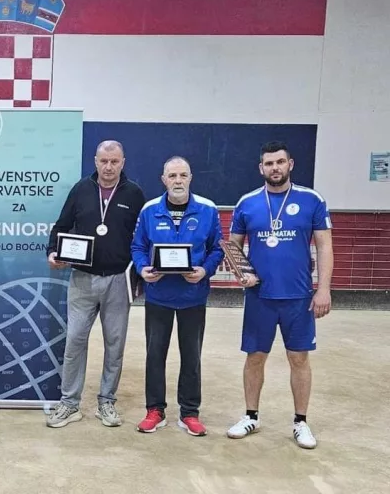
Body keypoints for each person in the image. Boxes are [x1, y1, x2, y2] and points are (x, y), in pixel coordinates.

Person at [225, 140, 333, 450]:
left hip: (298, 296)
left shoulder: (311, 200)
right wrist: (241, 273)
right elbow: (233, 246)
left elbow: (325, 246)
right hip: (259, 296)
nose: (275, 168)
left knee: (299, 358)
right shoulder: (247, 203)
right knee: (255, 357)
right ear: (261, 168)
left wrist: (323, 289)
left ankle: (301, 421)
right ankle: (251, 416)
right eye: (269, 163)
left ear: (290, 164)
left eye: (280, 162)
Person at [45, 140, 146, 428]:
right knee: (75, 340)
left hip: (118, 280)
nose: (109, 167)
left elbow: (144, 236)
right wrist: (53, 251)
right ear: (95, 161)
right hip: (82, 279)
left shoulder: (134, 193)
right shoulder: (81, 190)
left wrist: (139, 275)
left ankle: (107, 401)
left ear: (123, 162)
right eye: (104, 161)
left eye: (114, 161)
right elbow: (61, 226)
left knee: (115, 344)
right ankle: (69, 403)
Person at [130, 156, 224, 437]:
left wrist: (205, 270)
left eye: (183, 175)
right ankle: (155, 410)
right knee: (154, 355)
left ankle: (189, 413)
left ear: (191, 178)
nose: (178, 180)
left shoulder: (207, 209)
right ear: (164, 180)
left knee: (191, 356)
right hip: (158, 296)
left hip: (193, 296)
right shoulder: (149, 210)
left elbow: (217, 248)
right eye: (172, 176)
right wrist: (142, 269)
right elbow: (138, 246)